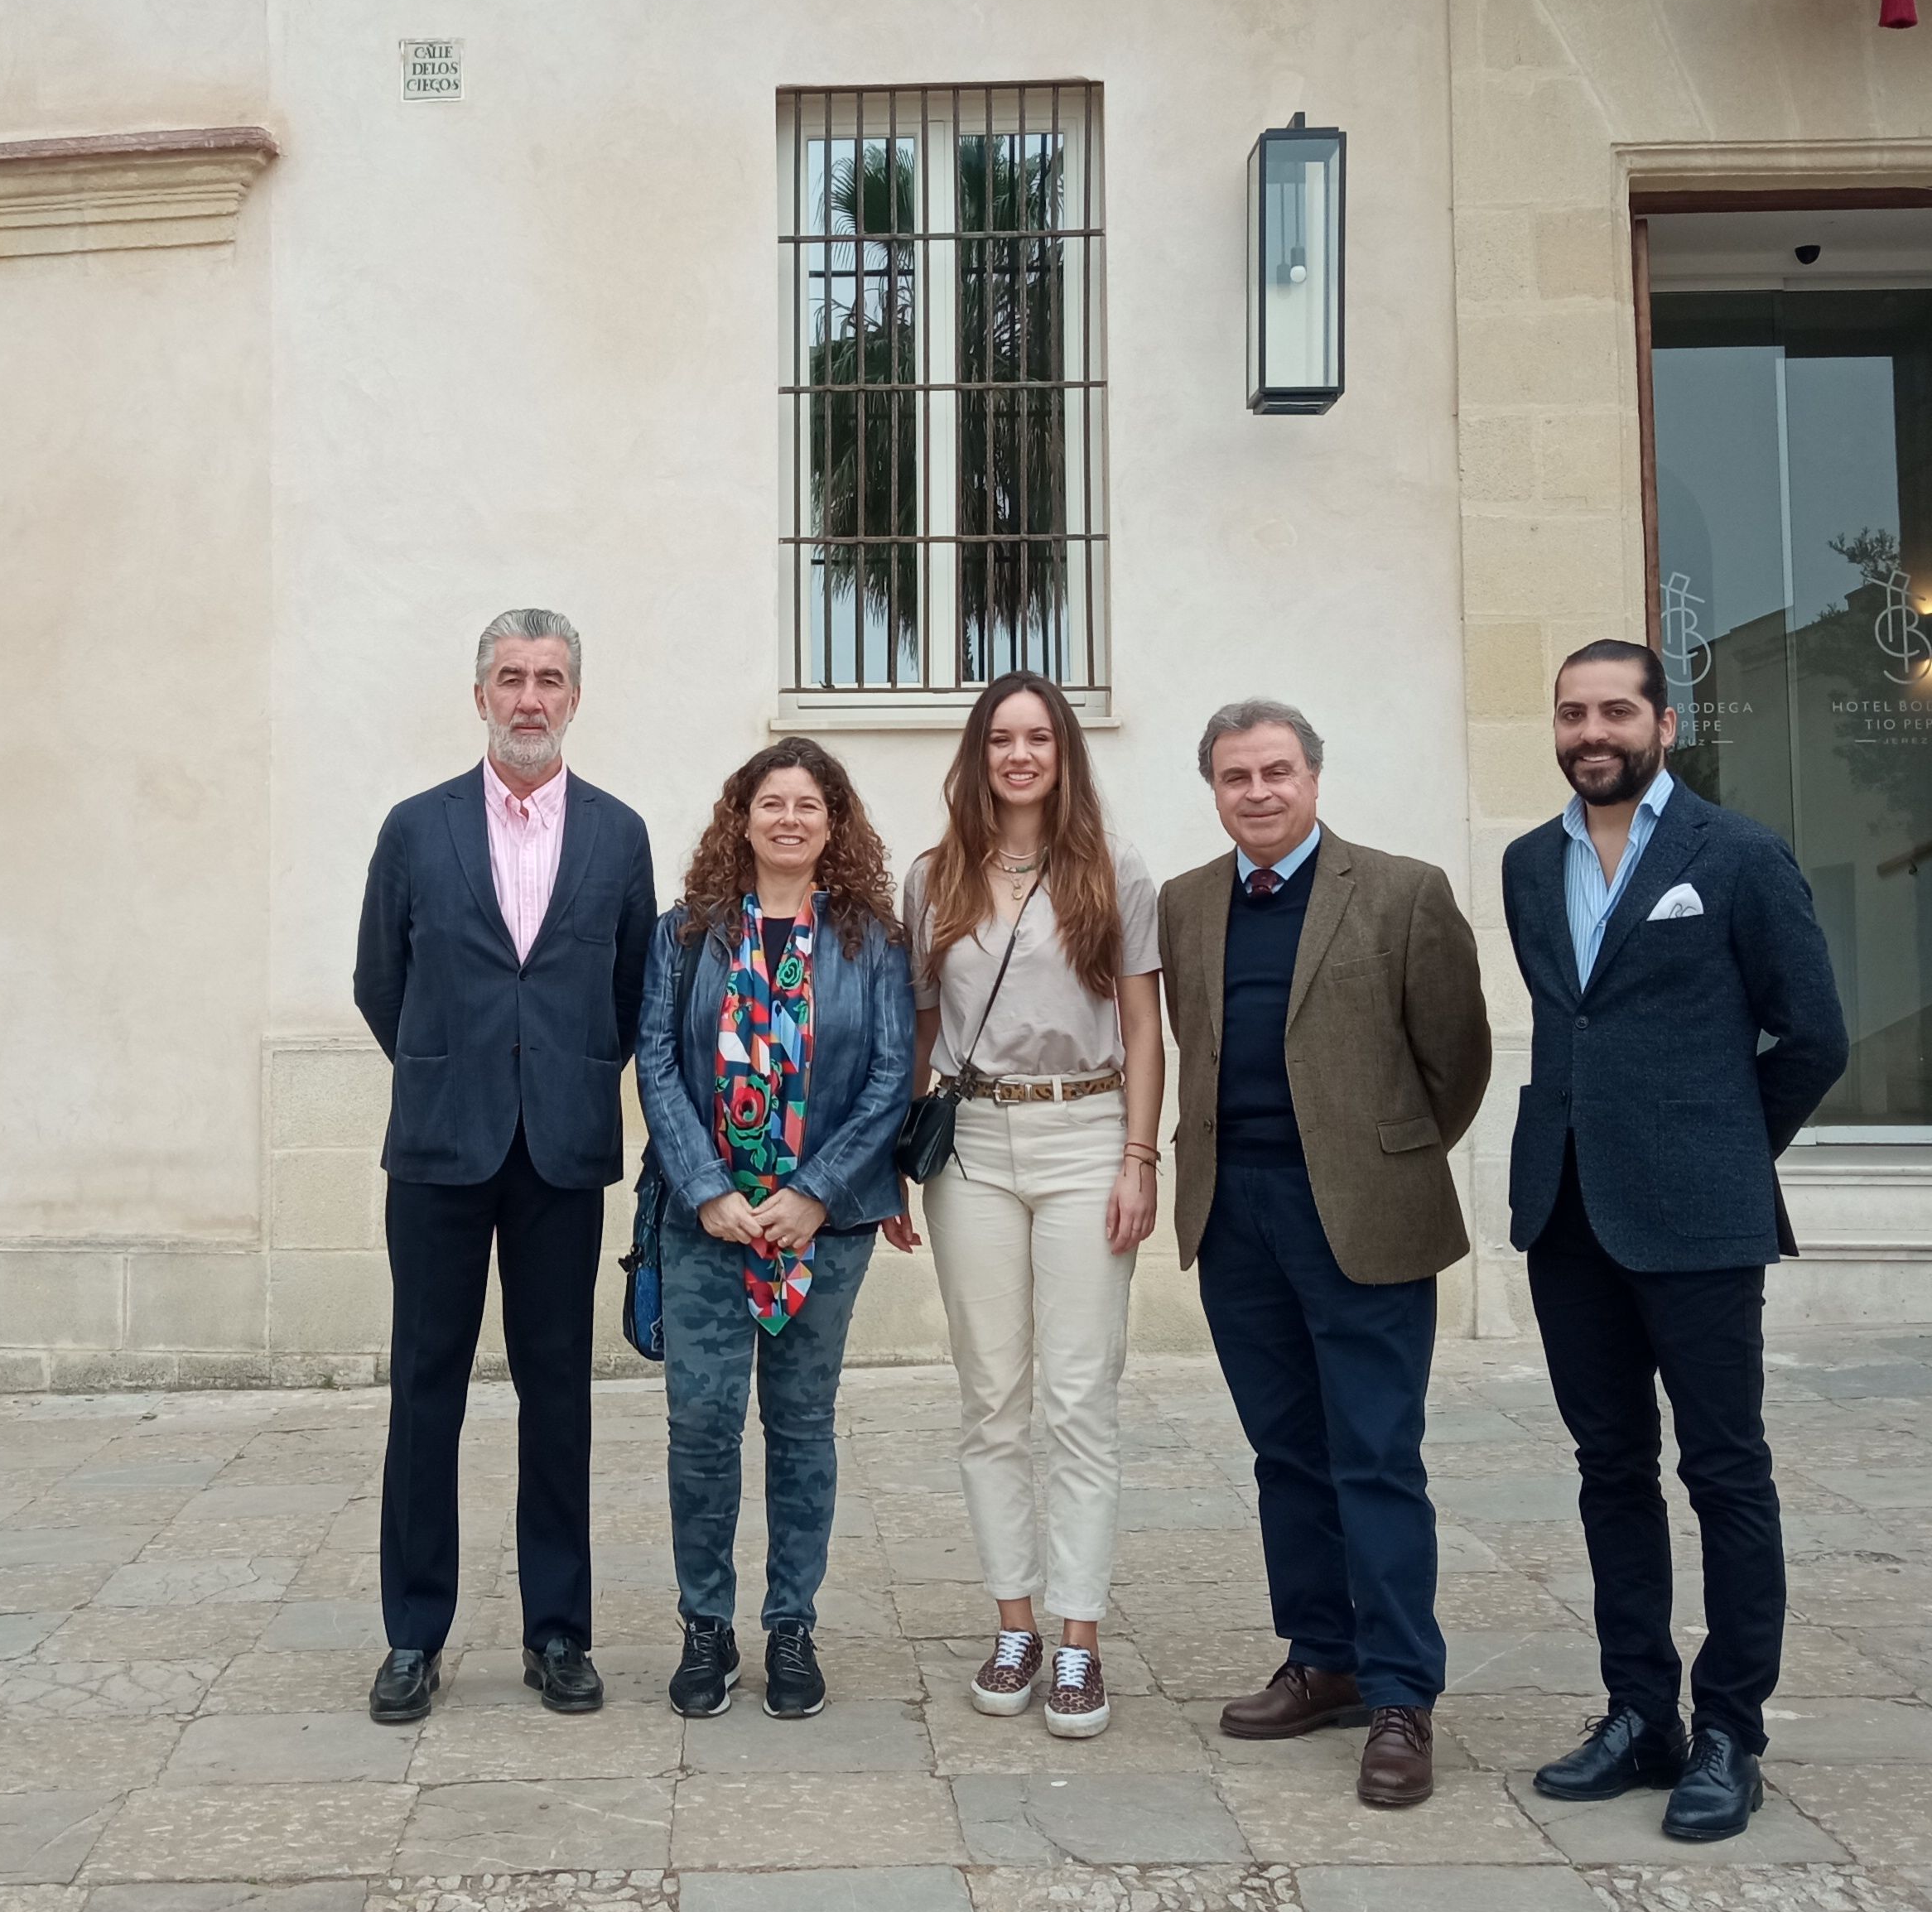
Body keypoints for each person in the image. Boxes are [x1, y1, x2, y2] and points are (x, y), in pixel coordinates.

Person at [1502, 639, 1847, 1842]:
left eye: (1614, 710)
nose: (1591, 731)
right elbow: (1573, 1025)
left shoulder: (1738, 856)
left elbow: (1813, 1035)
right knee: (1610, 1474)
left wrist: (1722, 1148)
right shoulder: (1526, 864)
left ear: (1664, 720)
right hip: (1567, 1212)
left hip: (1699, 1217)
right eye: (1571, 713)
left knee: (1724, 1473)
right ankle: (1637, 1713)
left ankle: (1731, 1733)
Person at [1158, 699, 1492, 1808]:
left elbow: (1458, 1059)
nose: (1258, 791)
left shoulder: (1401, 891)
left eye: (1277, 772)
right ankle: (1322, 1658)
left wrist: (1378, 1158)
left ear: (1313, 777)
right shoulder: (1187, 903)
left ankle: (1402, 1696)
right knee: (1285, 1454)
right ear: (1213, 788)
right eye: (1235, 776)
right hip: (1235, 1211)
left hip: (1361, 1209)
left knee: (1376, 1456)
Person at [352, 609, 657, 1725]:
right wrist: (454, 1069)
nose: (530, 698)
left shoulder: (618, 837)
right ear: (479, 694)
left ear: (577, 697)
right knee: (425, 1396)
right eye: (511, 678)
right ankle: (413, 1635)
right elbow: (380, 983)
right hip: (439, 1149)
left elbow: (630, 994)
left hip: (563, 1152)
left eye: (551, 679)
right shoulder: (414, 830)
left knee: (557, 1396)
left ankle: (559, 1630)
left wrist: (558, 1077)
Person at [882, 671, 1165, 1738]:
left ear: (1061, 753)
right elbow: (919, 1032)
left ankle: (1079, 1638)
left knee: (1079, 1395)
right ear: (976, 753)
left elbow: (1143, 1028)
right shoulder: (933, 878)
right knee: (990, 1394)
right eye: (999, 738)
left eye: (1036, 737)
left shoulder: (1111, 869)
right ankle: (1014, 1624)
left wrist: (1138, 1157)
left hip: (1087, 1130)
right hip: (974, 1148)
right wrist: (901, 1165)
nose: (1017, 755)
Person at [636, 737, 915, 1721]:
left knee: (800, 1428)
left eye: (808, 804)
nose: (788, 819)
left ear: (832, 824)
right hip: (705, 1224)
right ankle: (704, 1626)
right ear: (740, 819)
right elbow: (656, 1066)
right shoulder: (685, 935)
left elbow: (892, 1075)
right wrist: (708, 1187)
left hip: (819, 1229)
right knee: (701, 1430)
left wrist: (817, 1192)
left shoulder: (872, 940)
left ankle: (790, 1624)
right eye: (770, 803)